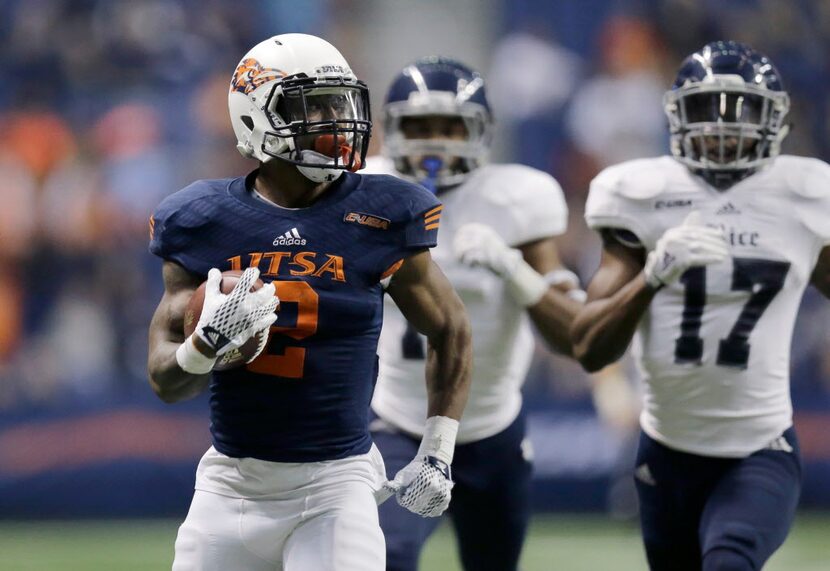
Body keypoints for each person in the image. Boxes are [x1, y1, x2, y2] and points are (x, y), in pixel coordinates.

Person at [146, 34, 472, 571]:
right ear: (254, 117)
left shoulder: (383, 210)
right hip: (230, 486)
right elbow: (165, 378)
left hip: (336, 484)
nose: (333, 119)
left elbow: (451, 328)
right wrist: (204, 347)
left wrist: (437, 451)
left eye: (337, 102)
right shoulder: (201, 219)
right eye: (310, 105)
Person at [572, 40, 830, 570]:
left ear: (774, 120)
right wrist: (652, 276)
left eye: (741, 112)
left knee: (729, 560)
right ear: (677, 116)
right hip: (666, 451)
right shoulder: (640, 194)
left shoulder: (806, 196)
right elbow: (589, 345)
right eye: (706, 110)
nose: (723, 128)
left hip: (759, 448)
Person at [365, 56, 585, 571]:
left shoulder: (518, 198)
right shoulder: (364, 192)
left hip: (491, 426)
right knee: (387, 554)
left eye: (451, 125)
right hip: (398, 419)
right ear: (393, 130)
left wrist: (513, 269)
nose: (436, 141)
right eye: (420, 126)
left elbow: (574, 338)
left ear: (481, 132)